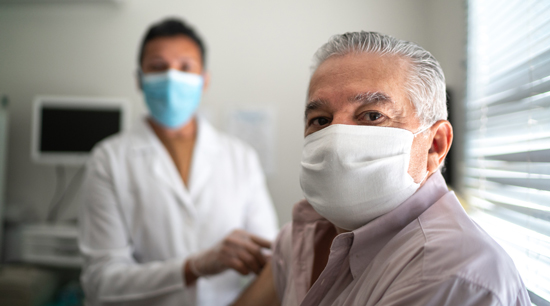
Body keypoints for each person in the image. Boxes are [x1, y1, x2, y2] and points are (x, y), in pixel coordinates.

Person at [232, 32, 530, 306]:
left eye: (372, 115)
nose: (336, 140)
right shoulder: (300, 235)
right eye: (321, 120)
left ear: (434, 145)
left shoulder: (452, 273)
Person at [78, 18, 278, 306]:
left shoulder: (240, 157)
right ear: (139, 79)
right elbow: (100, 281)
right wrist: (192, 267)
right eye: (158, 67)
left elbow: (272, 264)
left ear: (204, 79)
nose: (172, 77)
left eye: (185, 67)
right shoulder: (108, 159)